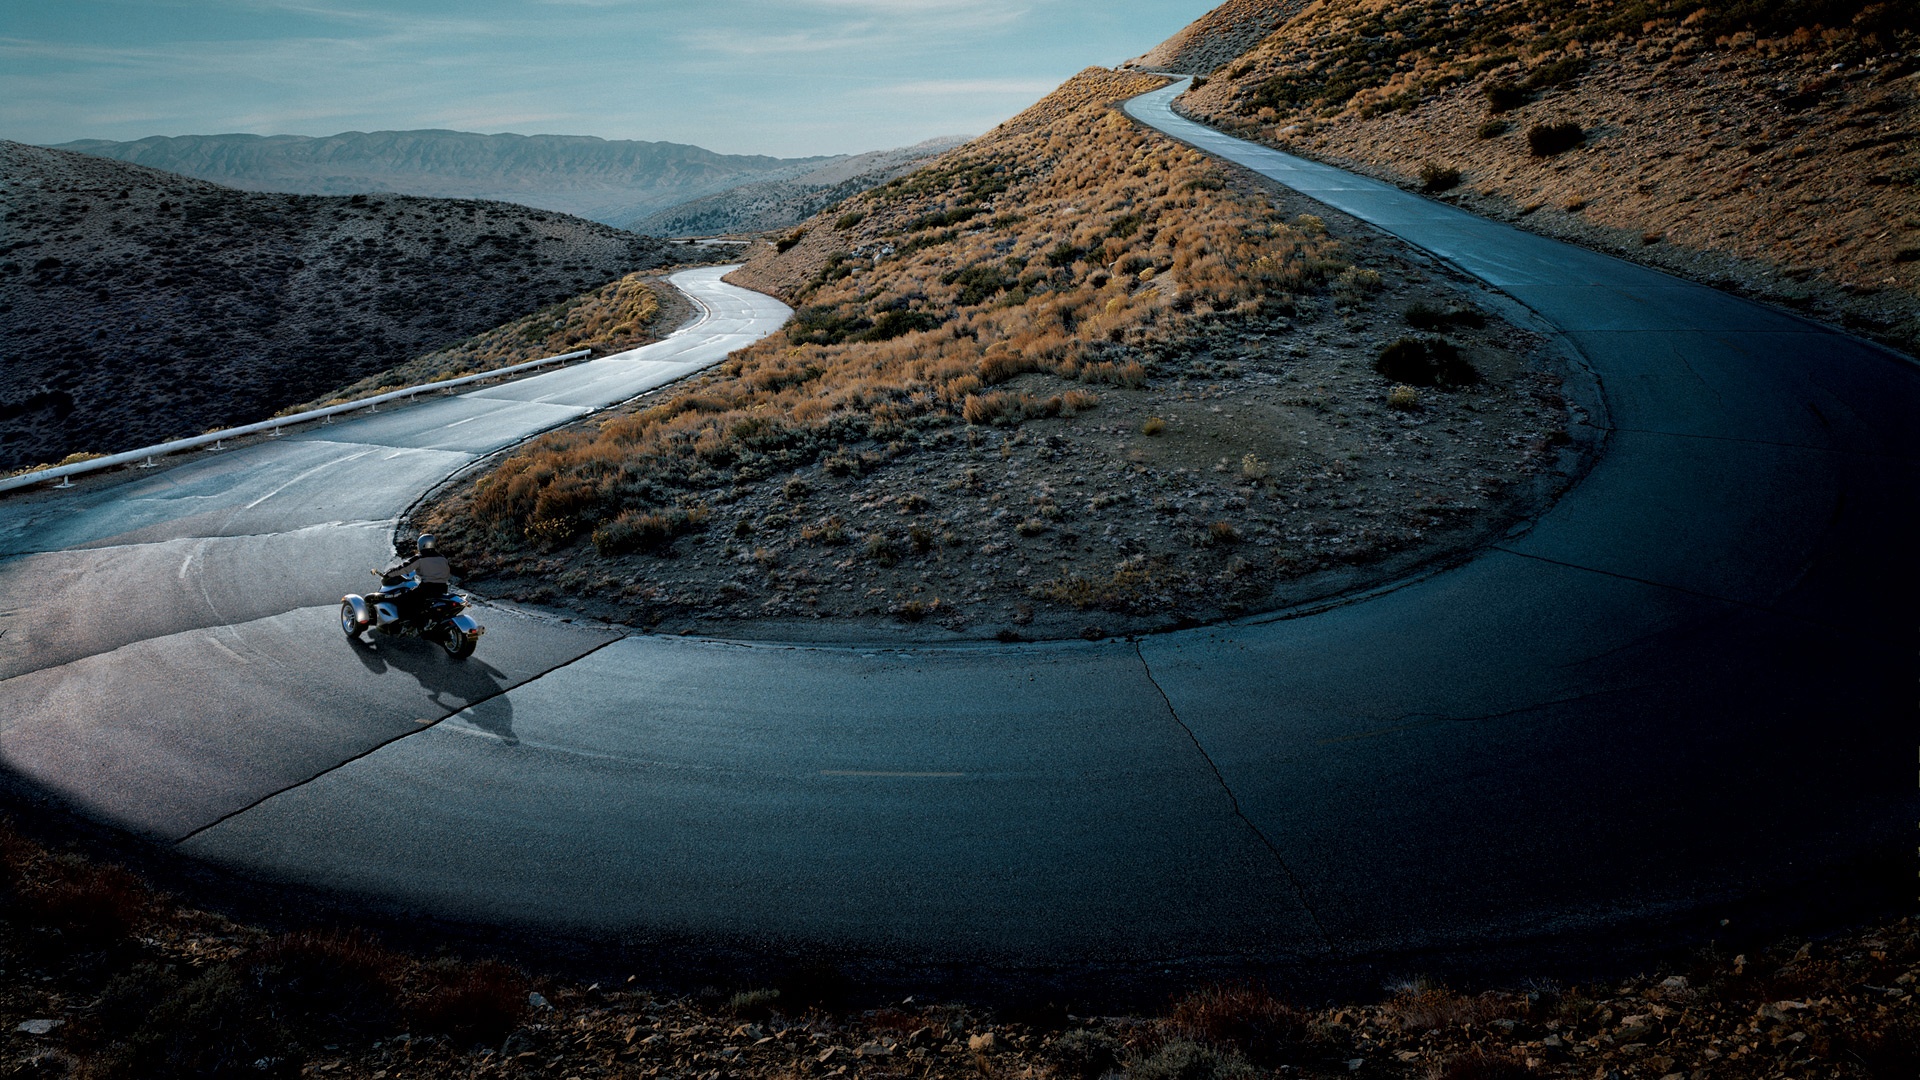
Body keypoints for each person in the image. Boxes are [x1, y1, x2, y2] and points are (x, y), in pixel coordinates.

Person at [376, 534, 452, 622]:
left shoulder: (420, 558)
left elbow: (403, 568)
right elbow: (447, 573)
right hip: (443, 588)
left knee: (402, 599)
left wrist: (389, 574)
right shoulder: (442, 558)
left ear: (421, 544)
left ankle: (405, 623)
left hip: (427, 589)